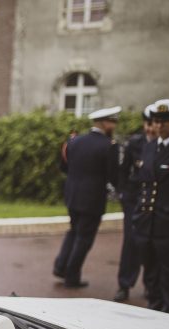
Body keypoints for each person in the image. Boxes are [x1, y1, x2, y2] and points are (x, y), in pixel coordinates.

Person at [53, 106, 120, 288]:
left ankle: (60, 267)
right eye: (112, 122)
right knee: (84, 237)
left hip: (72, 195)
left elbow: (64, 167)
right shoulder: (109, 145)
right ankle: (72, 276)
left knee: (73, 231)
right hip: (92, 199)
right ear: (105, 123)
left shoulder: (75, 141)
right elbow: (113, 175)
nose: (114, 125)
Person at [133, 99, 169, 315]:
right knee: (150, 277)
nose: (159, 126)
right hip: (146, 225)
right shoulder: (150, 147)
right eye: (156, 121)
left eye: (165, 121)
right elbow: (143, 183)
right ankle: (154, 313)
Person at [114, 105, 160, 303]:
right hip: (134, 200)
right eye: (147, 124)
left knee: (154, 245)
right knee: (131, 243)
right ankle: (124, 285)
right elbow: (122, 172)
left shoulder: (165, 145)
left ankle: (152, 287)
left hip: (155, 203)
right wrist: (123, 194)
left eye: (153, 124)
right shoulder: (135, 143)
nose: (150, 129)